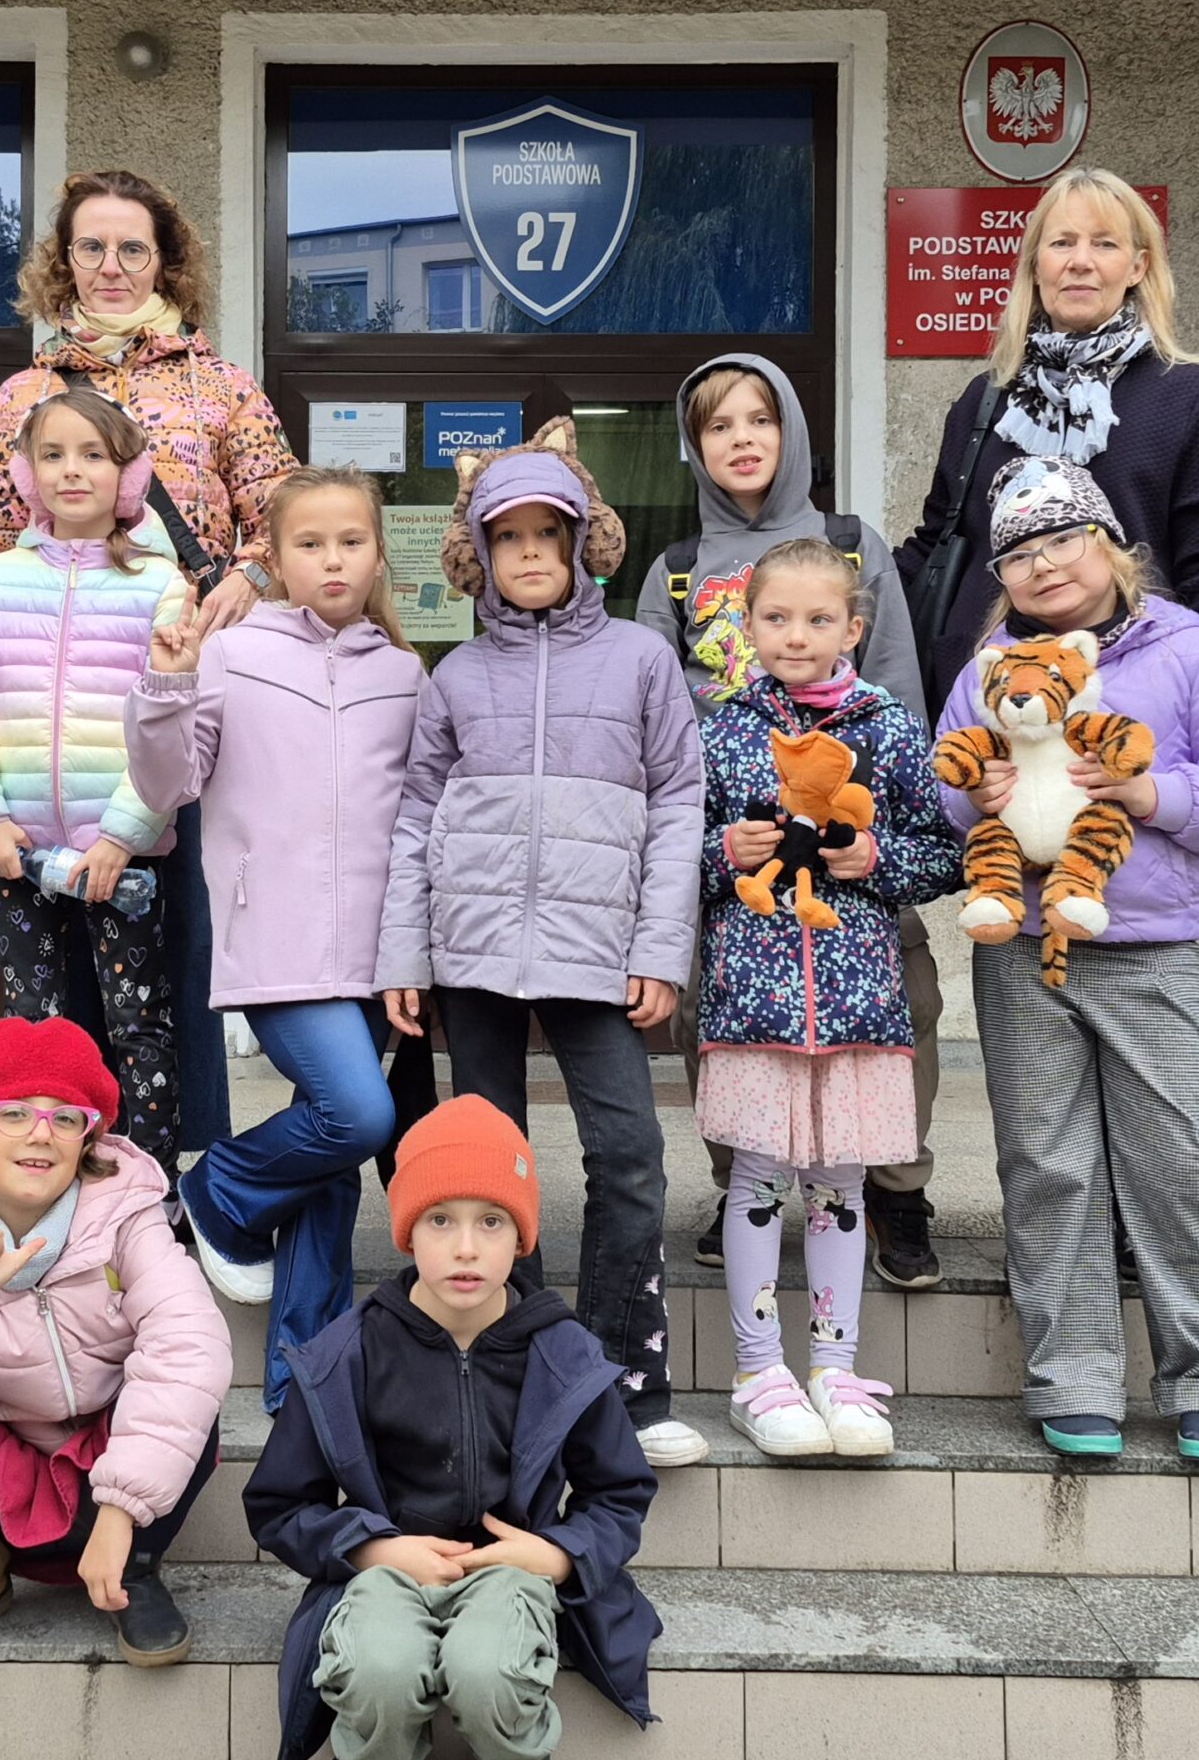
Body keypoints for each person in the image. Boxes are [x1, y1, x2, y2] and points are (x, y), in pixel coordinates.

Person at [933, 457, 1199, 1464]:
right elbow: (944, 788)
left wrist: (1151, 794)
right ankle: (1074, 1378)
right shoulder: (985, 669)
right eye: (1019, 553)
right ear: (1000, 578)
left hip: (1150, 948)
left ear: (1110, 546)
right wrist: (975, 795)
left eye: (1063, 540)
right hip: (1022, 949)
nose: (1044, 565)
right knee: (1046, 1166)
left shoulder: (1186, 649)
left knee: (1178, 1163)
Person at [0, 167, 298, 1173]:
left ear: (164, 259)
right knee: (54, 958)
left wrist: (250, 576)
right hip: (48, 712)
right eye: (90, 247)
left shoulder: (220, 384)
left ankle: (183, 1172)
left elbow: (282, 508)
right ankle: (62, 1164)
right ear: (64, 261)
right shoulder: (24, 394)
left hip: (182, 699)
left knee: (175, 943)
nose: (110, 266)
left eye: (132, 247)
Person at [377, 421, 710, 1469]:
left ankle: (622, 1376)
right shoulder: (456, 675)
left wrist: (659, 948)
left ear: (580, 544)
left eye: (547, 534)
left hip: (598, 951)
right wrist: (405, 955)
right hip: (471, 954)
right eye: (507, 536)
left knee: (630, 1156)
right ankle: (505, 1371)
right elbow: (415, 817)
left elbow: (680, 802)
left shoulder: (641, 659)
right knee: (485, 1163)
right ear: (478, 551)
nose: (529, 553)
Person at [245, 1097, 658, 1760]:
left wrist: (557, 1555)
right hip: (388, 1566)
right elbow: (279, 1503)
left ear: (522, 1237)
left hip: (511, 1569)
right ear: (407, 1231)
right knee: (381, 1662)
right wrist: (372, 1549)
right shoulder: (348, 1351)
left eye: (491, 1222)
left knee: (486, 1663)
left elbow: (619, 1494)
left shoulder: (563, 1352)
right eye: (440, 1220)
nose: (466, 1247)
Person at [636, 352, 947, 1291]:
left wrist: (882, 836)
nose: (742, 440)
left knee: (902, 1001)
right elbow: (656, 727)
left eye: (760, 419)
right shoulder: (676, 573)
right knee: (722, 1012)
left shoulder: (851, 547)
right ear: (694, 446)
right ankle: (745, 1179)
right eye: (718, 425)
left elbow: (897, 686)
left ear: (792, 431)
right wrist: (706, 846)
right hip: (742, 846)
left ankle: (894, 1187)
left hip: (852, 830)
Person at [125, 464, 426, 1407]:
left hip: (376, 952)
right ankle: (212, 1193)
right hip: (277, 941)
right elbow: (168, 784)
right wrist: (167, 682)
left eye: (351, 541)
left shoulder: (404, 673)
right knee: (357, 1116)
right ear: (277, 558)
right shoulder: (232, 653)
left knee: (329, 1161)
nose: (332, 560)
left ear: (378, 554)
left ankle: (308, 1371)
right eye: (310, 543)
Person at [695, 539, 961, 1461]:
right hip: (753, 1001)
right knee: (758, 1181)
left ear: (854, 627)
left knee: (842, 1186)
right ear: (749, 626)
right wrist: (721, 855)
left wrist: (876, 860)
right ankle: (758, 1373)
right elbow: (675, 851)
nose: (796, 636)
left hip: (858, 1003)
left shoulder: (888, 728)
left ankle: (836, 1370)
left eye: (818, 619)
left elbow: (946, 851)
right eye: (776, 618)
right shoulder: (725, 729)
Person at [0, 1016, 233, 1668]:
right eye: (14, 1113)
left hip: (108, 1465)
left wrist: (122, 1510)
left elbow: (190, 1343)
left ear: (88, 1138)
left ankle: (136, 1570)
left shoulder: (127, 1216)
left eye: (66, 1118)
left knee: (191, 1410)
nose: (42, 1133)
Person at [897, 165, 1199, 747]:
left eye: (1104, 244)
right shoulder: (986, 401)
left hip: (1133, 704)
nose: (1080, 261)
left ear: (1137, 267)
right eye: (1062, 243)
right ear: (1036, 264)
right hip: (995, 704)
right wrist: (820, 582)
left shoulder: (1182, 396)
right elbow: (935, 544)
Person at [0, 383, 194, 1181]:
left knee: (138, 1028)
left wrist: (123, 835)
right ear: (26, 475)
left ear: (129, 475)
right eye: (51, 455)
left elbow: (173, 724)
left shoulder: (161, 586)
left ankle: (150, 1191)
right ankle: (43, 1183)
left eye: (93, 454)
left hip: (121, 856)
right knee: (32, 1033)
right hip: (19, 854)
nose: (71, 471)